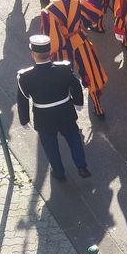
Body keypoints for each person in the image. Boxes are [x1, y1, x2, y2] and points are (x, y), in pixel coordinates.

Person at [17, 33, 91, 182]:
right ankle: (81, 167)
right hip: (65, 111)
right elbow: (75, 85)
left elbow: (23, 99)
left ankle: (59, 172)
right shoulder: (64, 68)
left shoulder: (25, 77)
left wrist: (24, 120)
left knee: (50, 146)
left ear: (33, 55)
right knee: (74, 139)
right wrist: (78, 103)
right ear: (50, 52)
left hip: (43, 116)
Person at [41, 0, 107, 119]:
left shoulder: (48, 12)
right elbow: (95, 14)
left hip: (62, 50)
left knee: (64, 80)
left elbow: (51, 41)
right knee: (91, 75)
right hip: (81, 41)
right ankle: (98, 107)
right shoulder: (78, 2)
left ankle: (71, 109)